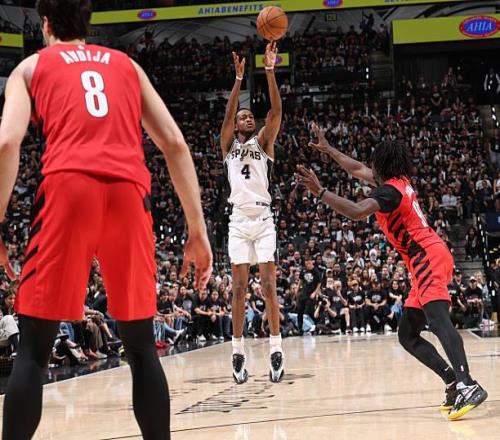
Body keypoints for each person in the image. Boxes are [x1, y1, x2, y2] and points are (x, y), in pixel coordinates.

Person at [0, 1, 212, 439]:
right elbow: (174, 143)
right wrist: (197, 229)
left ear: (45, 24)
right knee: (141, 346)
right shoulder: (127, 66)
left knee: (34, 348)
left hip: (68, 187)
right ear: (88, 22)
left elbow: (6, 143)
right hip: (129, 192)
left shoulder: (31, 67)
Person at [296, 123, 487, 421]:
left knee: (438, 320)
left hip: (426, 256)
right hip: (425, 256)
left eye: (374, 163)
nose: (369, 167)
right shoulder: (398, 181)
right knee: (407, 335)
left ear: (382, 165)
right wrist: (329, 149)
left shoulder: (389, 192)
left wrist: (320, 192)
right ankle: (452, 380)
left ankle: (467, 384)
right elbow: (355, 168)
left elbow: (357, 211)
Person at [220, 43, 284, 383]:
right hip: (238, 221)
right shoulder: (228, 145)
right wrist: (238, 79)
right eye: (243, 116)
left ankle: (276, 348)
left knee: (269, 286)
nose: (249, 118)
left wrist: (269, 70)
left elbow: (276, 110)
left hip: (263, 219)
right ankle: (237, 352)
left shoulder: (263, 143)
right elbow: (228, 115)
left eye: (250, 116)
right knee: (239, 289)